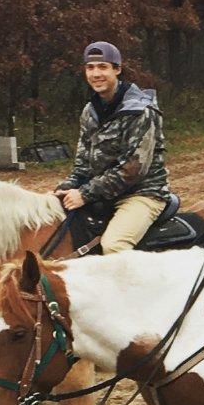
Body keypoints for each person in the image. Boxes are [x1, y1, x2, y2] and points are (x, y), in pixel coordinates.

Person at [56, 41, 172, 253]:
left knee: (113, 246)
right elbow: (82, 165)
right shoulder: (89, 111)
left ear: (117, 69)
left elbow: (132, 170)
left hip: (141, 193)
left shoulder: (140, 111)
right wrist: (64, 189)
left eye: (103, 67)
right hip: (103, 193)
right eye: (90, 68)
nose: (96, 74)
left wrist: (85, 193)